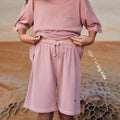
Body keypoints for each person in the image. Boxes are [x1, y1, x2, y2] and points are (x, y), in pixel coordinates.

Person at [12, 0, 102, 120]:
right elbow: (22, 22)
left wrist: (90, 38)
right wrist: (22, 36)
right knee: (44, 110)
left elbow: (92, 23)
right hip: (43, 50)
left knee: (67, 111)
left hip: (69, 51)